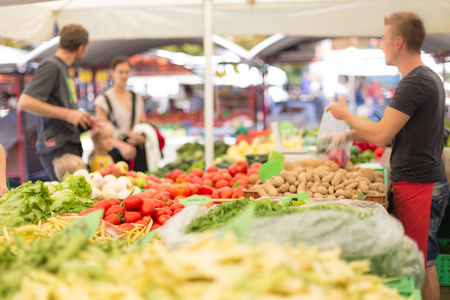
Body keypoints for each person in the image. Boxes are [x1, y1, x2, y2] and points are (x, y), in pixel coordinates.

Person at [326, 12, 447, 300]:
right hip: (421, 181)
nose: (380, 45)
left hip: (419, 185)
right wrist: (347, 135)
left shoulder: (415, 82)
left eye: (383, 39)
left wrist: (346, 115)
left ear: (398, 42)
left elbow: (380, 136)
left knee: (422, 264)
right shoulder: (425, 77)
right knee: (420, 260)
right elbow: (391, 130)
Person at [17, 24, 93, 181]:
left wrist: (84, 119)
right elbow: (25, 102)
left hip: (65, 142)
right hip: (57, 145)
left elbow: (62, 106)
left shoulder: (62, 67)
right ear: (81, 48)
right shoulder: (51, 65)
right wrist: (68, 114)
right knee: (71, 199)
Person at [94, 56, 148, 172]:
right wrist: (120, 145)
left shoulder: (137, 98)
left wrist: (142, 138)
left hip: (136, 153)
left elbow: (144, 123)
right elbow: (101, 133)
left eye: (127, 72)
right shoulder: (103, 100)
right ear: (112, 73)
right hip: (113, 153)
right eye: (120, 72)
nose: (124, 76)